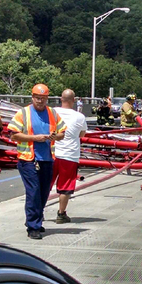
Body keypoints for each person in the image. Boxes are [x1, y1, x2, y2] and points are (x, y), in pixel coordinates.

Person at [8, 84, 66, 240]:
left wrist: (55, 136)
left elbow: (62, 133)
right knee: (33, 192)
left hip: (47, 158)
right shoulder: (23, 113)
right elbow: (13, 135)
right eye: (37, 98)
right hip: (28, 159)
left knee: (43, 192)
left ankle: (36, 221)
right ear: (32, 97)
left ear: (47, 98)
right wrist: (35, 138)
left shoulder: (52, 113)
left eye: (43, 98)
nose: (40, 101)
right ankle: (33, 226)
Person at [51, 89, 87, 224]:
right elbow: (82, 134)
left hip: (52, 153)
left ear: (61, 99)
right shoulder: (79, 116)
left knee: (45, 184)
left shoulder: (52, 112)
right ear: (74, 100)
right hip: (70, 155)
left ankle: (39, 211)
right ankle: (61, 214)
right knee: (65, 186)